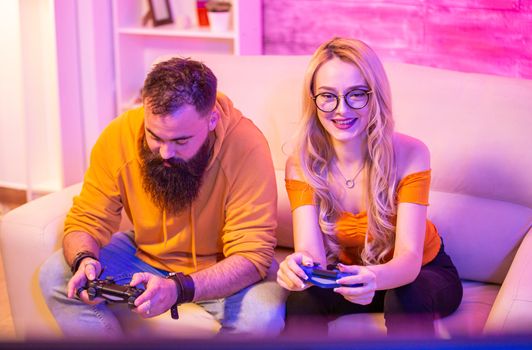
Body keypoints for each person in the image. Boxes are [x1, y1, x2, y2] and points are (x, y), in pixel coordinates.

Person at [39, 57, 286, 338]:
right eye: (155, 137)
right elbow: (86, 219)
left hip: (221, 264)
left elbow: (252, 255)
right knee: (55, 275)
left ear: (211, 119)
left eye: (181, 141)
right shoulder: (119, 134)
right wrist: (84, 260)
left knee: (262, 317)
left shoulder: (247, 146)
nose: (165, 153)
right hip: (144, 253)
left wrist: (178, 288)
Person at [276, 37, 463, 338]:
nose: (341, 110)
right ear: (313, 100)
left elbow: (408, 258)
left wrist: (372, 278)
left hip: (421, 273)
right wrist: (300, 270)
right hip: (350, 275)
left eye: (356, 95)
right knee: (301, 302)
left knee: (405, 298)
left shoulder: (411, 154)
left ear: (375, 96)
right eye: (327, 96)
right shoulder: (301, 164)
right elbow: (311, 253)